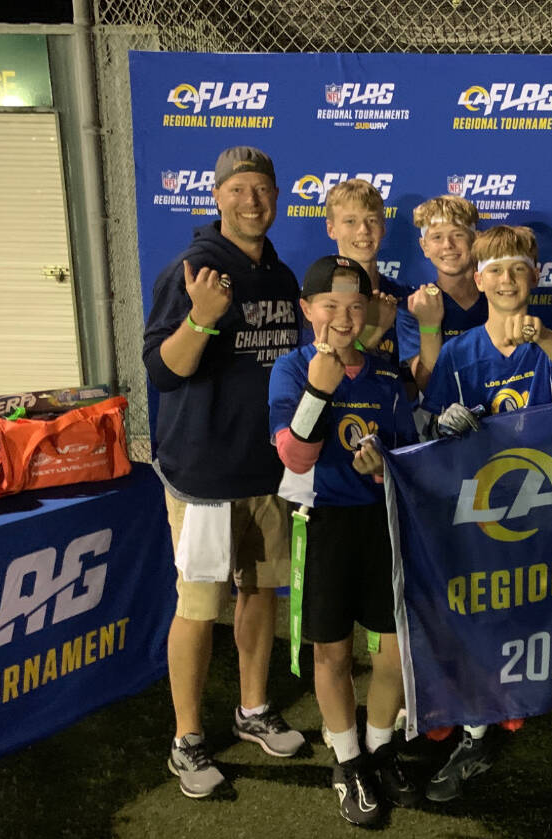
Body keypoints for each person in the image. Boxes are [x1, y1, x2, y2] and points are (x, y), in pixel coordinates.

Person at [419, 225, 552, 809]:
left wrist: (545, 333)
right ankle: (475, 735)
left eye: (518, 269)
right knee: (483, 619)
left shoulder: (550, 339)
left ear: (535, 278)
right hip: (482, 512)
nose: (506, 280)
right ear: (478, 280)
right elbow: (426, 427)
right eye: (495, 270)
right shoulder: (457, 350)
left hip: (550, 507)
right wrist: (442, 425)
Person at [142, 146, 306, 799]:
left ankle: (253, 708)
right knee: (201, 605)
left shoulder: (279, 273)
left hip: (267, 470)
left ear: (276, 196)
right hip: (205, 473)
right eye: (238, 189)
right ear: (217, 196)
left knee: (261, 592)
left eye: (262, 188)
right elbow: (163, 371)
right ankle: (187, 739)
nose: (251, 201)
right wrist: (203, 320)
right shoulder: (193, 269)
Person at [268, 255, 420, 827]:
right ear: (307, 309)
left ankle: (381, 747)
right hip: (322, 522)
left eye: (356, 305)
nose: (343, 316)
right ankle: (347, 759)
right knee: (331, 652)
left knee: (393, 650)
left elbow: (406, 451)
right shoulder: (291, 368)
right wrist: (318, 390)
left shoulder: (384, 373)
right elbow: (295, 455)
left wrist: (383, 466)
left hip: (381, 524)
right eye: (330, 305)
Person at [396, 195, 487, 392]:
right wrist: (429, 326)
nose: (448, 244)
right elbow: (428, 387)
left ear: (476, 239)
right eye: (437, 237)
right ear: (424, 246)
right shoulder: (414, 307)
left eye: (458, 234)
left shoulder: (498, 297)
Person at [323, 178, 409, 362]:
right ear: (331, 229)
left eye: (372, 220)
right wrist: (372, 331)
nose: (363, 230)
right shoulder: (319, 297)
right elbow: (323, 373)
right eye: (350, 221)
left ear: (383, 227)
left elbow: (412, 382)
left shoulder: (405, 296)